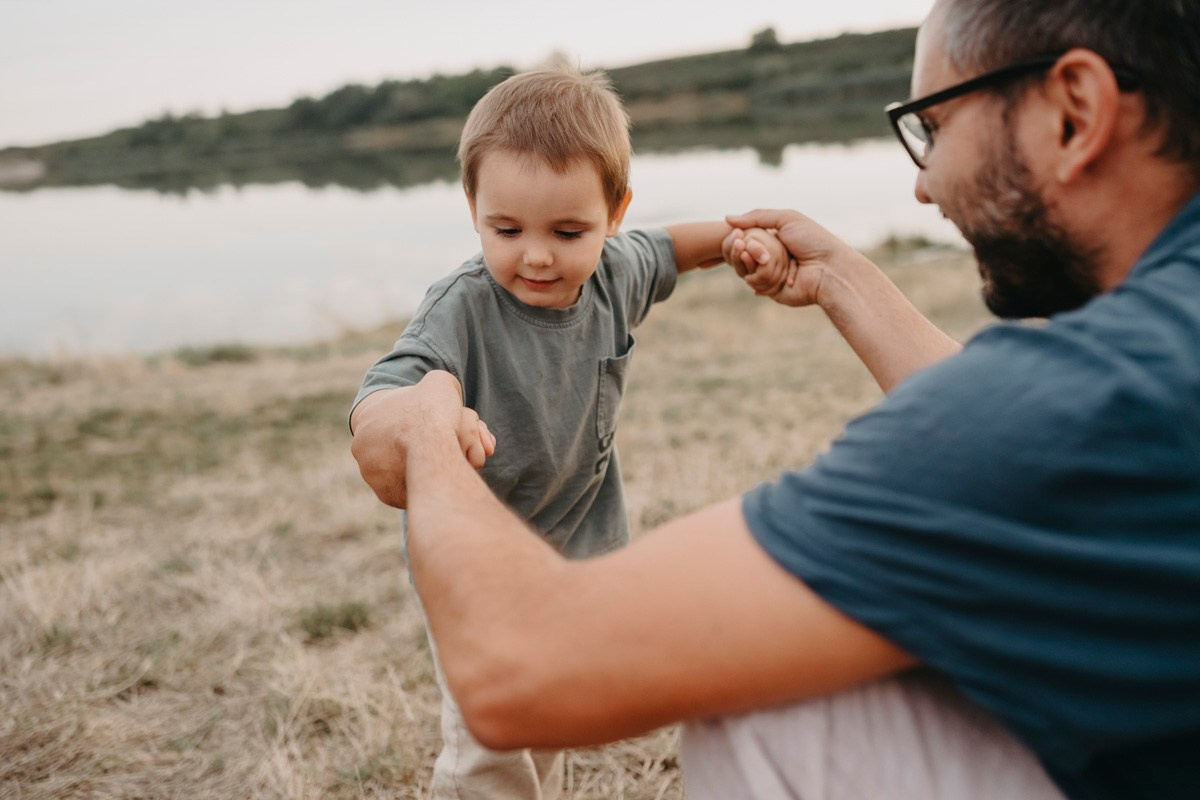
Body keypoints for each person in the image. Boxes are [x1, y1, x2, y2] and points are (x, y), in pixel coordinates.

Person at [350, 0, 1200, 797]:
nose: (923, 185)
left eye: (931, 126)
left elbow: (517, 668)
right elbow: (1034, 438)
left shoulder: (1099, 402)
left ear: (1075, 111)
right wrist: (838, 278)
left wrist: (430, 439)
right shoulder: (1151, 366)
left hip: (547, 574)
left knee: (753, 701)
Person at [349, 65, 789, 799]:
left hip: (576, 556)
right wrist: (426, 414)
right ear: (473, 207)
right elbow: (384, 393)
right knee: (491, 744)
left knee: (548, 716)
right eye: (507, 229)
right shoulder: (462, 310)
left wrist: (743, 239)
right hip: (474, 568)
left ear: (614, 212)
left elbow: (674, 245)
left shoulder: (617, 272)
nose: (538, 255)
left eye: (568, 230)